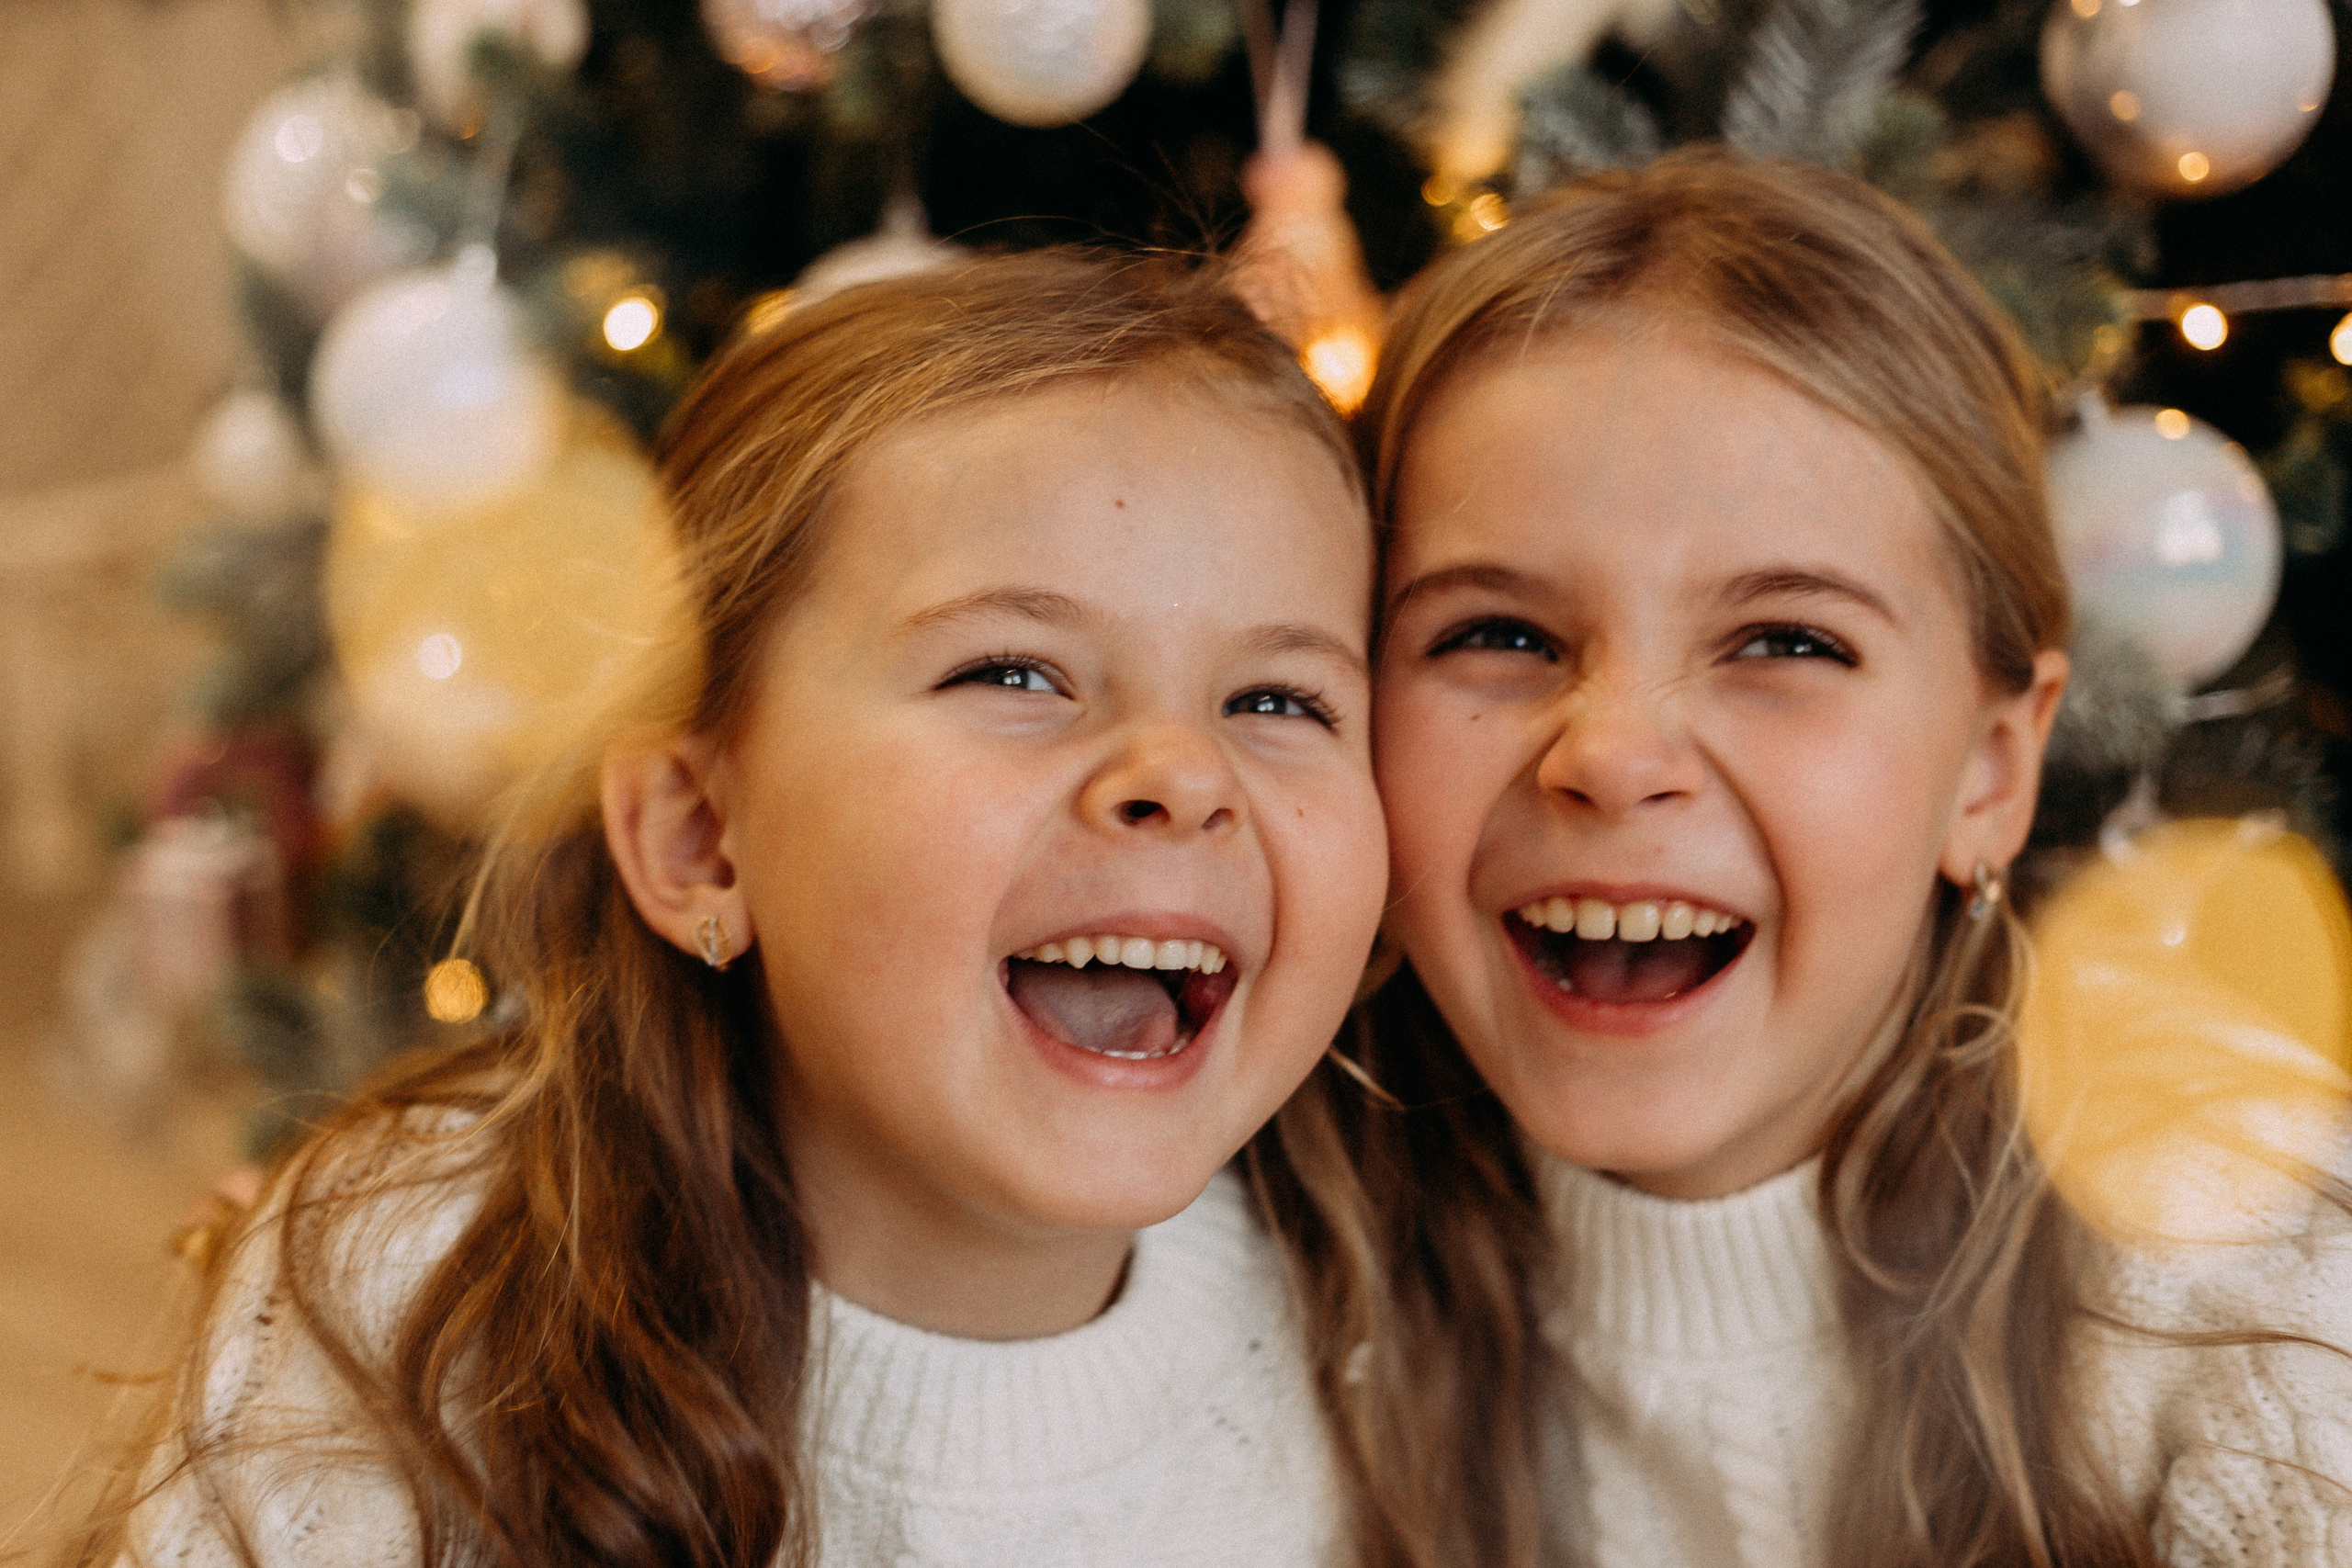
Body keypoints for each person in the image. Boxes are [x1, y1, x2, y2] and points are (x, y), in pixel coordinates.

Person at [93, 251, 1392, 1568]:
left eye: (1279, 701)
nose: (1183, 773)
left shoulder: (1348, 1353)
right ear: (701, 839)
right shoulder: (407, 1288)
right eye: (1015, 670)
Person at [1271, 149, 2352, 1567]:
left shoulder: (2251, 1283)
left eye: (1786, 642)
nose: (1609, 752)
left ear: (1991, 770)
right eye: (1499, 635)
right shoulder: (1270, 1234)